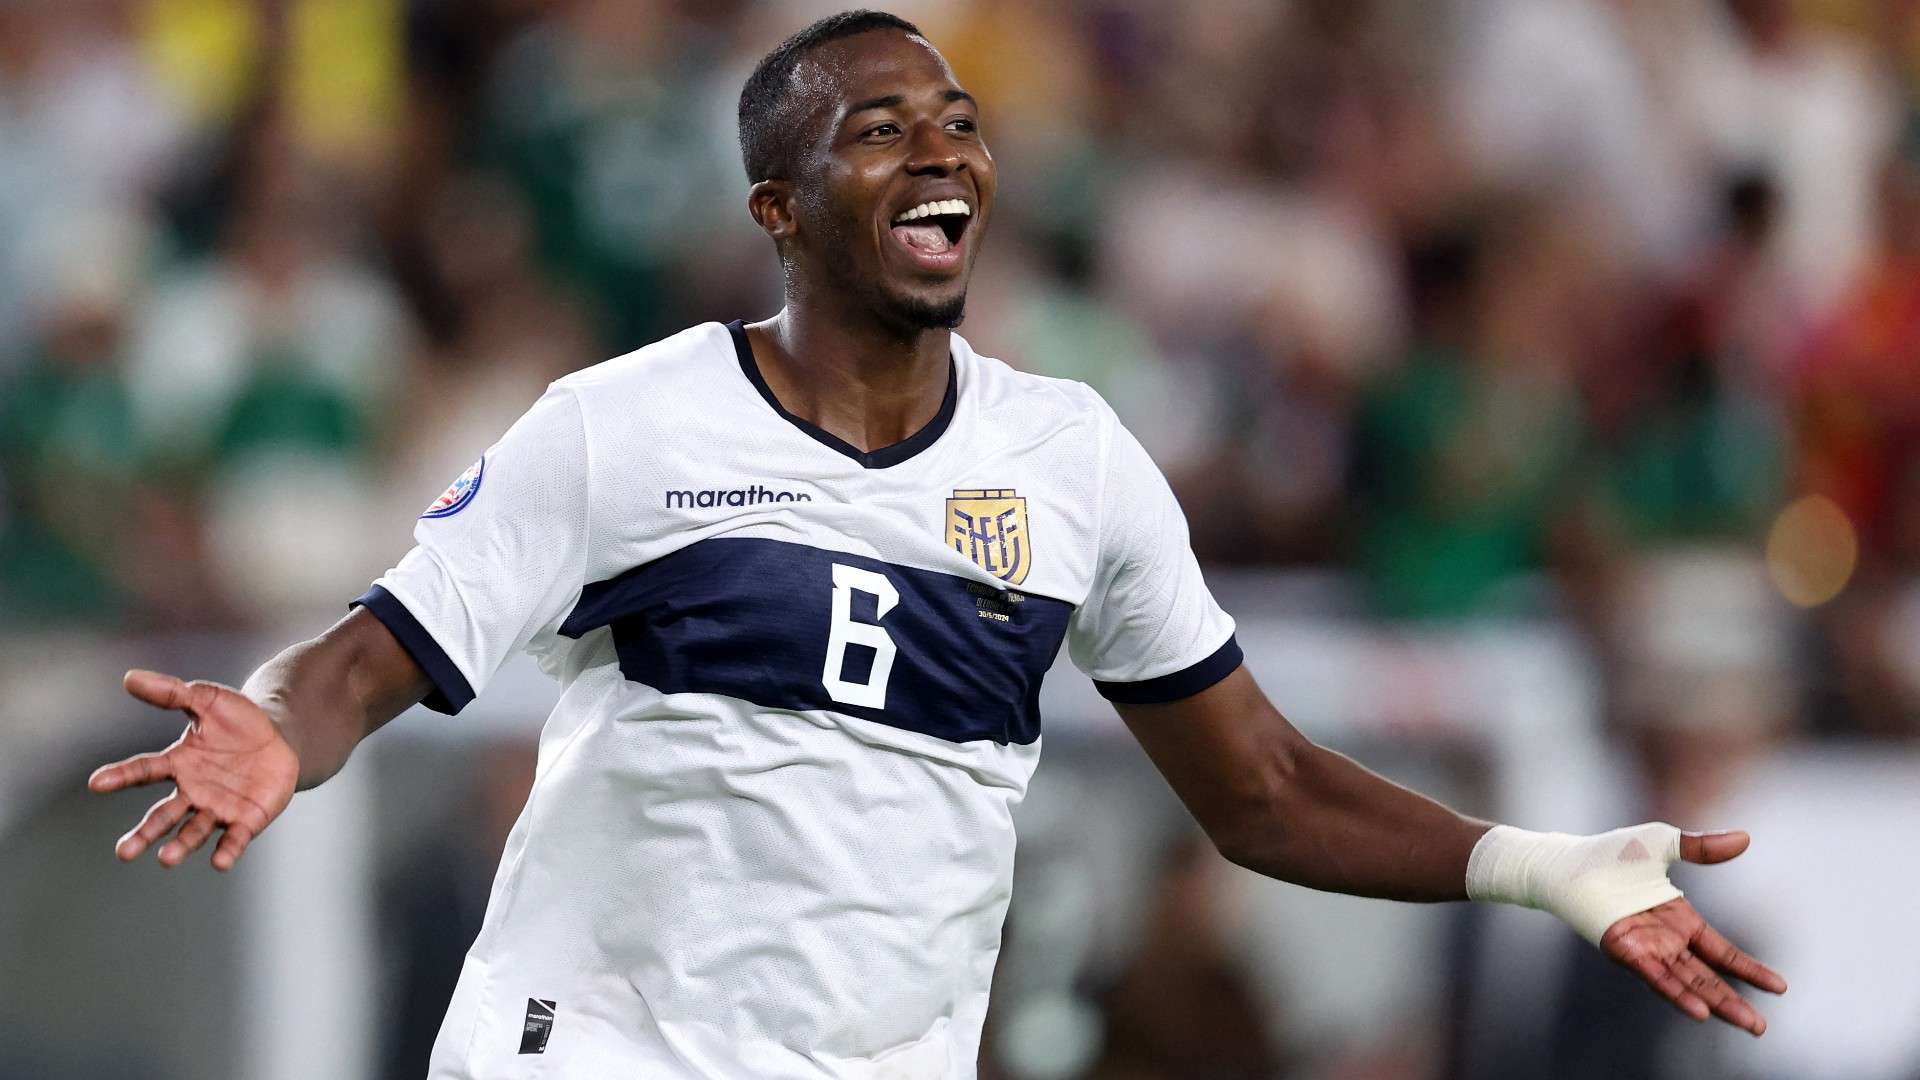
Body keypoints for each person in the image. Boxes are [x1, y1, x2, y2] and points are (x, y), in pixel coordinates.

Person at [88, 11, 1786, 1078]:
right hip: (598, 1049)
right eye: (879, 126)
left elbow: (1262, 789)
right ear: (778, 210)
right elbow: (367, 660)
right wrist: (272, 725)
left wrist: (1546, 867)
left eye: (958, 117)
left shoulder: (1074, 463)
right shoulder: (623, 427)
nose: (941, 147)